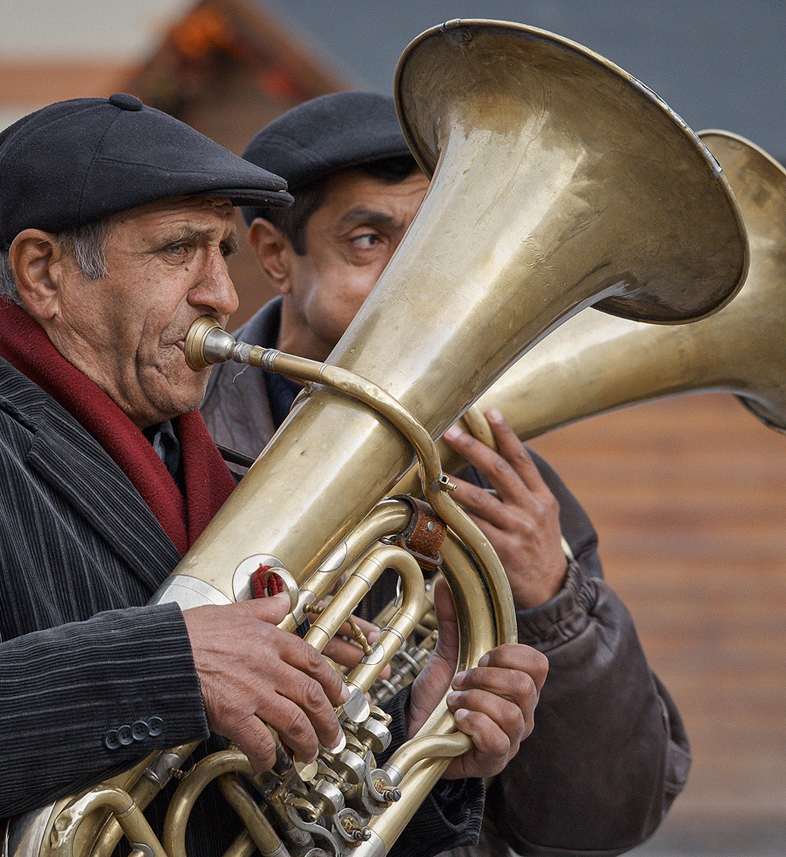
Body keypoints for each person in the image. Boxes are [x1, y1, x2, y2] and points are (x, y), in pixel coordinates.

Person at [0, 94, 547, 857]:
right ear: (43, 272)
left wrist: (422, 753)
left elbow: (285, 820)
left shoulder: (231, 471)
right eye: (180, 249)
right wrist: (171, 663)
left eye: (223, 249)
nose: (221, 291)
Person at [200, 92, 692, 857]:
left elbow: (608, 821)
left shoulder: (502, 483)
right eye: (369, 239)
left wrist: (555, 602)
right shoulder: (182, 440)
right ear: (272, 253)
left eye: (432, 241)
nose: (414, 278)